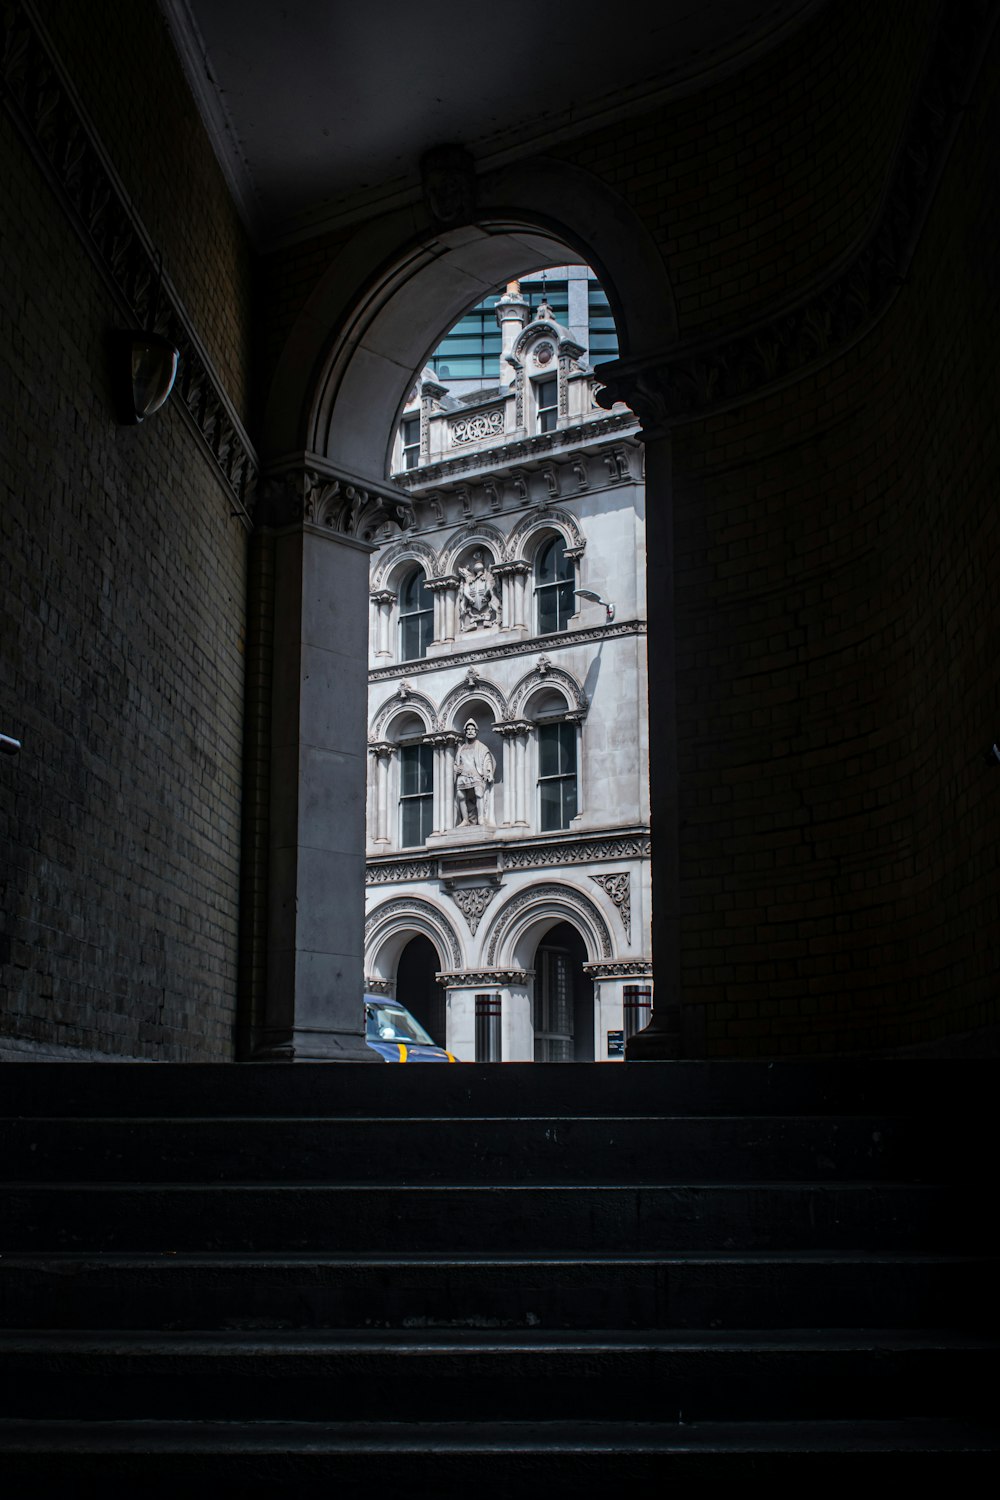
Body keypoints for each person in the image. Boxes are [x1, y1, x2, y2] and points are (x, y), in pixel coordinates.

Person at [454, 718, 495, 827]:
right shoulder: (461, 748)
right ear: (465, 732)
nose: (470, 731)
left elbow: (487, 759)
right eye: (468, 729)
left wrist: (488, 771)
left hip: (476, 774)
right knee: (461, 795)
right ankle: (465, 820)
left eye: (472, 729)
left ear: (476, 732)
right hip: (463, 775)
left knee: (478, 793)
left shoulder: (481, 747)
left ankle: (481, 817)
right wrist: (456, 769)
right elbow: (456, 762)